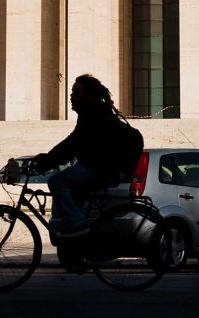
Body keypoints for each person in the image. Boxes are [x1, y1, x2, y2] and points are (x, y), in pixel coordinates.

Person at [33, 74, 143, 238]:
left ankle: (78, 227)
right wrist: (47, 159)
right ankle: (78, 251)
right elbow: (73, 143)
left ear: (89, 96)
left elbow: (73, 145)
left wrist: (46, 162)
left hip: (104, 169)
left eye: (76, 92)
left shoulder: (94, 116)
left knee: (56, 182)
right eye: (72, 91)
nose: (71, 96)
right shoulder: (91, 114)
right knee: (73, 194)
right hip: (101, 166)